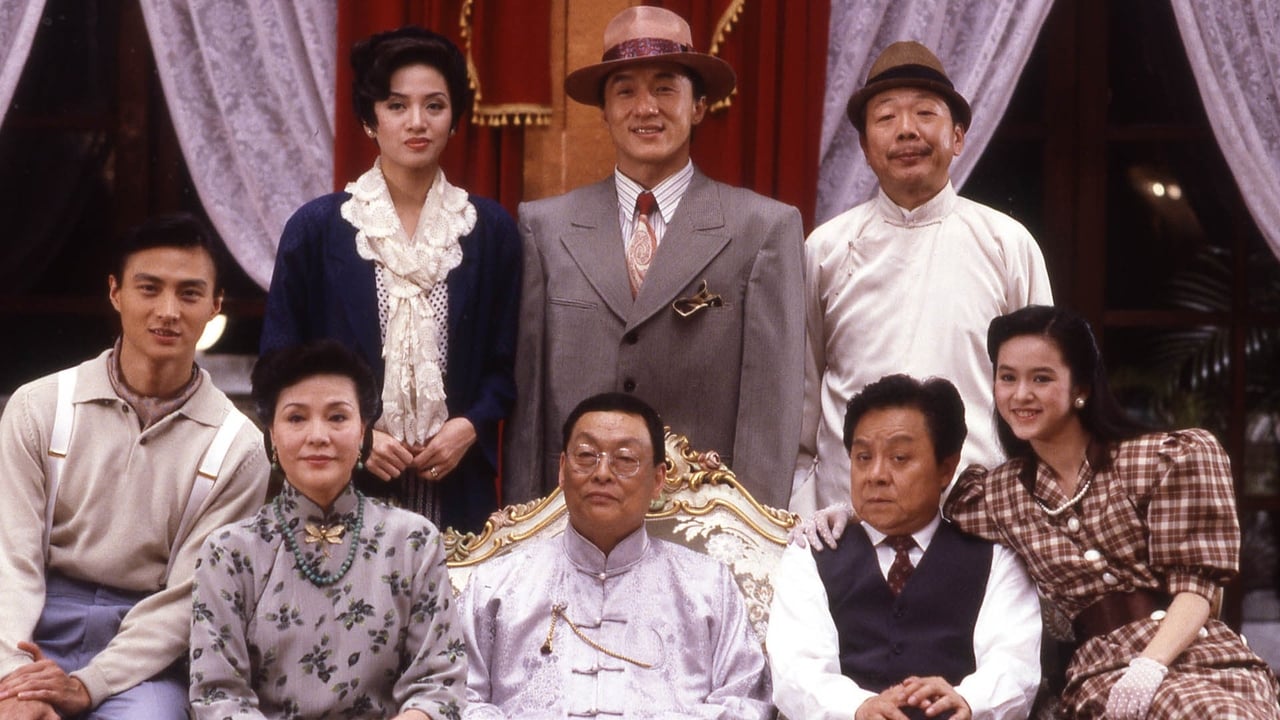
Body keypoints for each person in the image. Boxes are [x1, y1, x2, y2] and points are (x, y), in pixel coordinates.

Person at [807, 306, 1280, 719]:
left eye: (1041, 378)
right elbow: (915, 502)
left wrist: (1151, 665)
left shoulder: (1166, 459)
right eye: (1007, 377)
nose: (1020, 395)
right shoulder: (996, 495)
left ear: (1081, 387)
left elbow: (1199, 592)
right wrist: (847, 513)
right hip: (1100, 674)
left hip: (1194, 659)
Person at [507, 6, 805, 510]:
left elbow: (770, 412)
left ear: (699, 106)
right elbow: (529, 412)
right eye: (625, 91)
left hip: (704, 516)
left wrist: (753, 532)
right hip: (571, 517)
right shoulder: (545, 227)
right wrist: (525, 522)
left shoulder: (763, 229)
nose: (645, 108)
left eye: (665, 89)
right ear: (604, 111)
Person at [0, 214, 270, 719]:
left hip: (144, 647)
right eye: (149, 288)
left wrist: (89, 684)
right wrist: (14, 677)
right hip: (30, 626)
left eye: (189, 294)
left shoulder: (240, 447)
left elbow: (189, 597)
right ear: (115, 292)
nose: (168, 311)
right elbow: (9, 560)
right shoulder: (38, 407)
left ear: (215, 306)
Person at [262, 25, 521, 534]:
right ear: (369, 119)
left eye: (434, 105)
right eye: (397, 105)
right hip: (339, 486)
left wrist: (469, 427)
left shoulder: (490, 231)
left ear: (454, 119)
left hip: (457, 487)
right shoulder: (316, 229)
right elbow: (278, 365)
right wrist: (356, 438)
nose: (416, 122)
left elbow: (507, 362)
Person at [793, 40, 1052, 515]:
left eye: (925, 113)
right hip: (848, 516)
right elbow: (802, 399)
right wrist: (804, 509)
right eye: (886, 117)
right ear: (865, 147)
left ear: (958, 137)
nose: (906, 130)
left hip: (979, 515)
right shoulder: (825, 249)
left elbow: (1042, 397)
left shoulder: (1007, 244)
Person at [189, 339, 466, 719]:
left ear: (363, 432)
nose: (318, 435)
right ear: (271, 434)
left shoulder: (413, 542)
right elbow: (218, 695)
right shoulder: (229, 553)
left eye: (337, 417)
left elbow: (438, 684)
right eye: (296, 418)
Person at [460, 392, 771, 719]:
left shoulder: (708, 586)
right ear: (562, 470)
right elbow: (454, 698)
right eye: (586, 455)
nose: (602, 473)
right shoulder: (497, 583)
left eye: (625, 459)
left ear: (658, 479)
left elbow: (747, 703)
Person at [769, 374, 1040, 720]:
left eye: (899, 457)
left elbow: (1015, 661)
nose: (876, 475)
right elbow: (797, 668)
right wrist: (857, 708)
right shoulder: (811, 552)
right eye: (863, 457)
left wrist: (967, 699)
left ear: (946, 468)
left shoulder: (995, 557)